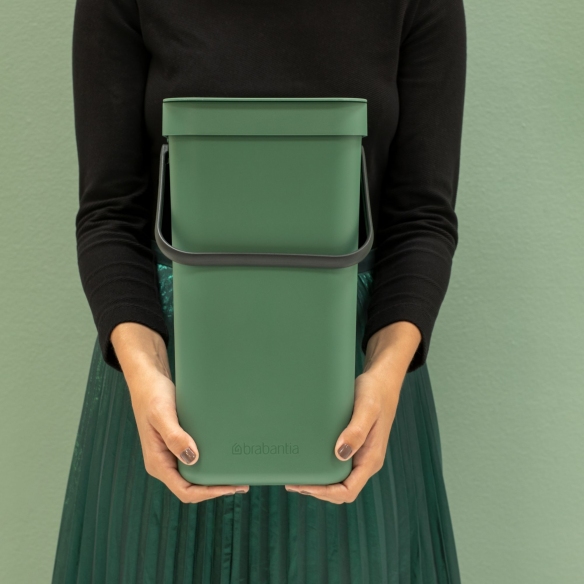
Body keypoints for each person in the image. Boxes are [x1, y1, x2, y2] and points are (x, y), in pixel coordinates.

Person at [52, 0, 466, 581]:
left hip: (357, 381)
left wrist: (386, 370)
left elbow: (422, 217)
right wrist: (144, 372)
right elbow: (109, 213)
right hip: (164, 376)